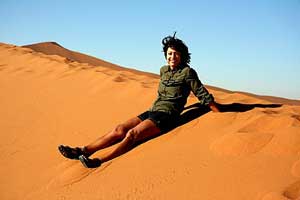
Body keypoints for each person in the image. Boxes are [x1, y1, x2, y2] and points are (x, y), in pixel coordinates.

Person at [58, 33, 220, 168]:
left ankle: (99, 161)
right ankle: (83, 150)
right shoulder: (163, 70)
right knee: (119, 129)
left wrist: (219, 114)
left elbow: (201, 93)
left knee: (132, 134)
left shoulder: (188, 72)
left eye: (176, 53)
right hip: (153, 111)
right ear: (166, 55)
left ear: (182, 56)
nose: (172, 56)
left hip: (168, 116)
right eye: (170, 53)